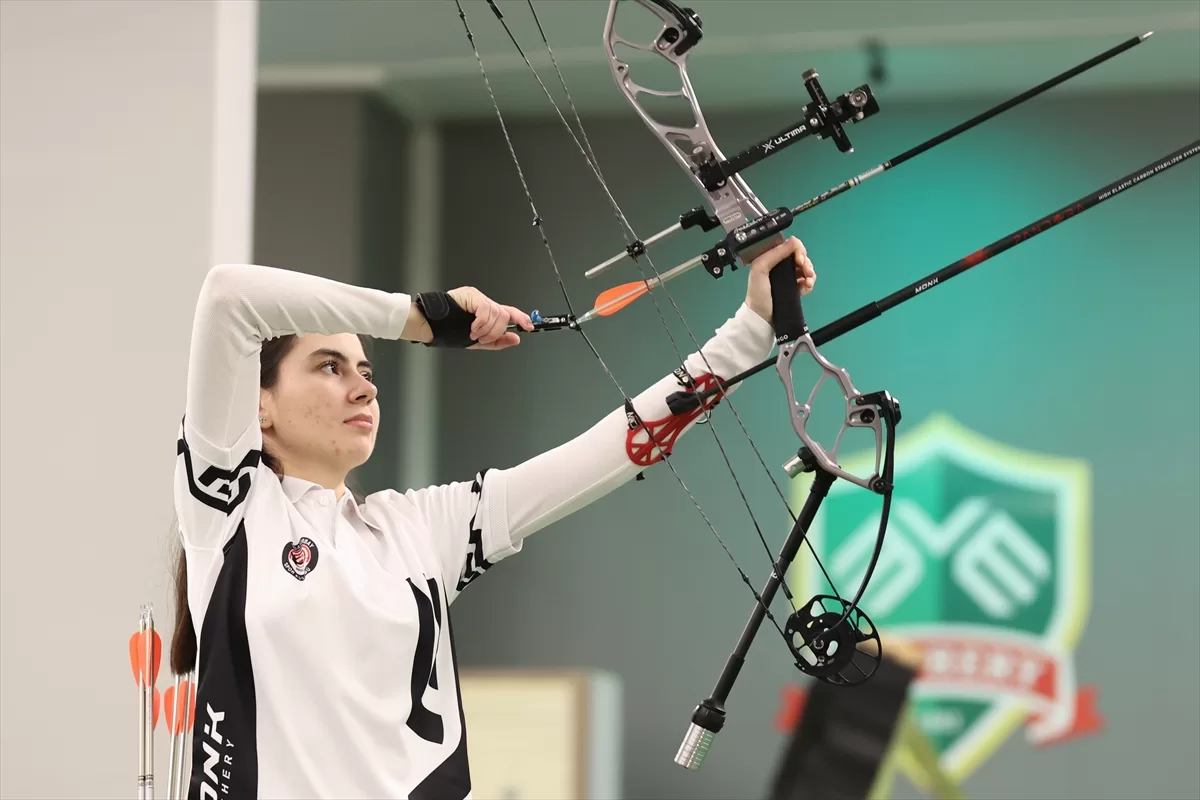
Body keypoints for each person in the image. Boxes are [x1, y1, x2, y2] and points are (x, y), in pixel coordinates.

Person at [170, 236, 816, 799]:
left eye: (366, 370)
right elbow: (229, 296)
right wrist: (420, 319)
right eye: (329, 367)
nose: (364, 387)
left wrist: (749, 331)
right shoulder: (228, 511)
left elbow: (602, 454)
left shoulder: (416, 530)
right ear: (259, 407)